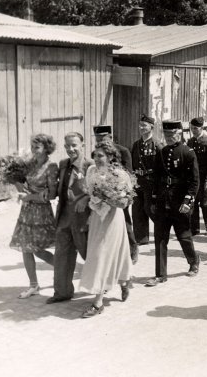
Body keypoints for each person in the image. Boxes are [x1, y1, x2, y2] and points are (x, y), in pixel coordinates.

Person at [79, 140, 133, 317]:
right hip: (96, 218)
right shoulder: (91, 171)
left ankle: (98, 302)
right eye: (95, 155)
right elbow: (89, 191)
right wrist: (92, 198)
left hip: (112, 219)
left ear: (110, 156)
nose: (97, 159)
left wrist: (108, 197)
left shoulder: (119, 175)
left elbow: (125, 202)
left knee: (103, 254)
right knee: (111, 253)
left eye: (101, 155)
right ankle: (124, 282)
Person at [146, 121, 201, 286]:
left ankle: (193, 261)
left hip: (179, 202)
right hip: (164, 202)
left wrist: (188, 201)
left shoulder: (188, 153)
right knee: (160, 239)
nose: (169, 138)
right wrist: (154, 199)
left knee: (183, 236)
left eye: (172, 135)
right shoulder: (161, 153)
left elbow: (194, 181)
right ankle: (160, 274)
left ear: (180, 134)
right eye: (166, 135)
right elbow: (156, 178)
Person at [9, 134, 58, 299]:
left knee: (38, 249)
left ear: (46, 148)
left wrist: (29, 197)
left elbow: (51, 195)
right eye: (32, 147)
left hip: (41, 213)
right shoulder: (29, 164)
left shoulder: (51, 167)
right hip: (27, 211)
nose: (33, 150)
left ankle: (63, 269)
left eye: (37, 147)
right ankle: (33, 285)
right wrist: (12, 177)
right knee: (25, 247)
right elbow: (22, 187)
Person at [47, 132, 93, 305]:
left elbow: (99, 191)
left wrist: (86, 198)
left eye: (74, 145)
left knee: (91, 256)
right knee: (62, 257)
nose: (70, 149)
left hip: (83, 220)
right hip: (64, 218)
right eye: (67, 146)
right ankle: (62, 292)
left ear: (83, 144)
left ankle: (116, 281)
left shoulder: (90, 165)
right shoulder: (63, 164)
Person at [94, 125, 138, 264]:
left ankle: (132, 248)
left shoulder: (123, 151)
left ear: (110, 137)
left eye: (103, 138)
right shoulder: (96, 153)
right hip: (102, 194)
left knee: (125, 221)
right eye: (98, 138)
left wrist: (121, 191)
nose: (100, 141)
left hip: (119, 192)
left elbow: (129, 173)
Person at [131, 115, 162, 247]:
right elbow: (132, 164)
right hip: (138, 181)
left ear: (152, 127)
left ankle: (162, 232)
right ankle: (141, 238)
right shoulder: (136, 145)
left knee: (150, 208)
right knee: (137, 209)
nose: (141, 128)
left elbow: (161, 167)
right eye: (140, 125)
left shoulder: (157, 145)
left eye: (144, 125)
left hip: (151, 181)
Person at [187, 117, 207, 236]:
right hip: (193, 178)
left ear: (202, 128)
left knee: (205, 202)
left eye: (195, 128)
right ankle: (194, 228)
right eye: (191, 128)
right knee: (193, 202)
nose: (193, 130)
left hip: (204, 177)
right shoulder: (190, 142)